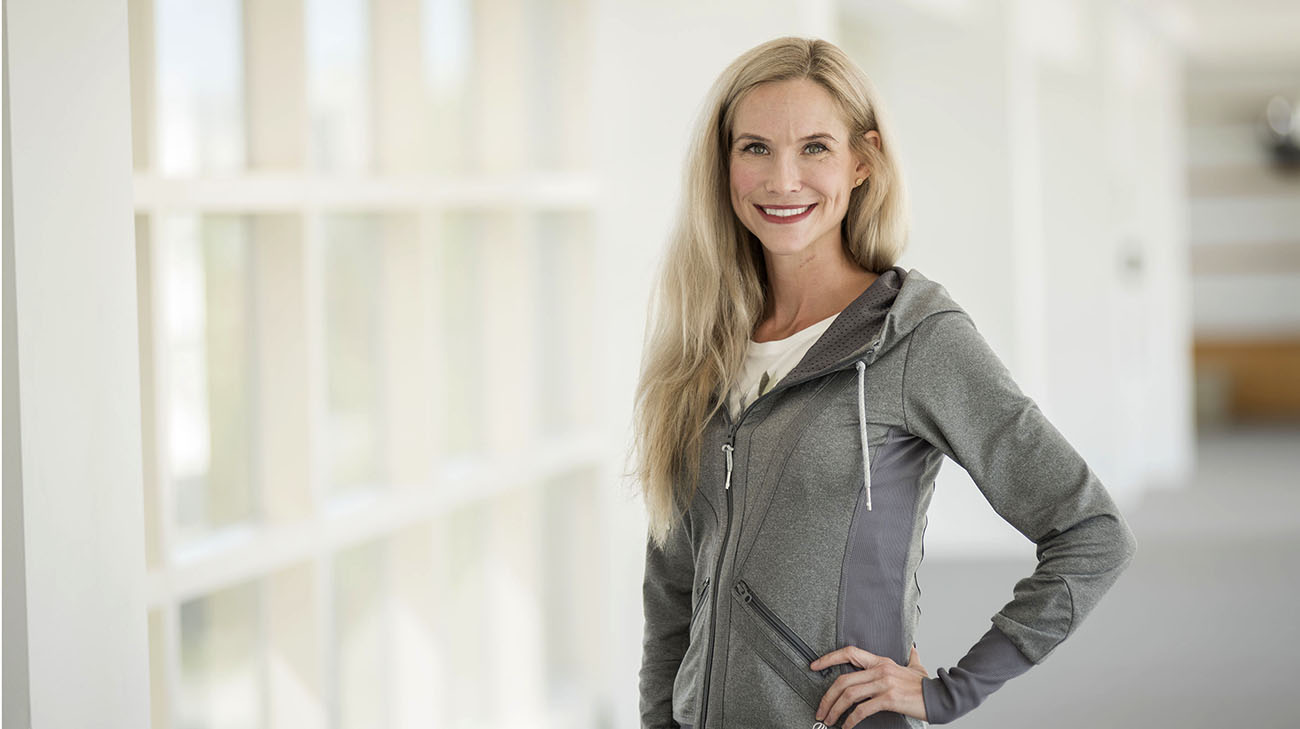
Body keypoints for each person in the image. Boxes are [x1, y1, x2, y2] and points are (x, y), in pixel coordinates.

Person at [629, 36, 1138, 729]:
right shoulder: (702, 346)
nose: (783, 179)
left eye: (814, 147)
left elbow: (1091, 532)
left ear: (862, 160)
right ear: (723, 165)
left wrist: (950, 691)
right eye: (755, 149)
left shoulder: (913, 335)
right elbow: (672, 591)